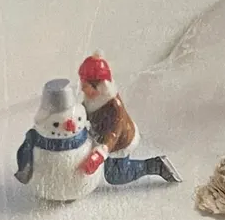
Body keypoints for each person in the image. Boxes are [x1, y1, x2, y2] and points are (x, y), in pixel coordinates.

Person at [77, 52, 182, 185]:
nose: (82, 88)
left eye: (85, 85)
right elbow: (84, 111)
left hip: (119, 142)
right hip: (101, 136)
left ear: (98, 86)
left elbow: (114, 133)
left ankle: (155, 166)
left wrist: (102, 152)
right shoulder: (92, 99)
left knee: (115, 175)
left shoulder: (114, 107)